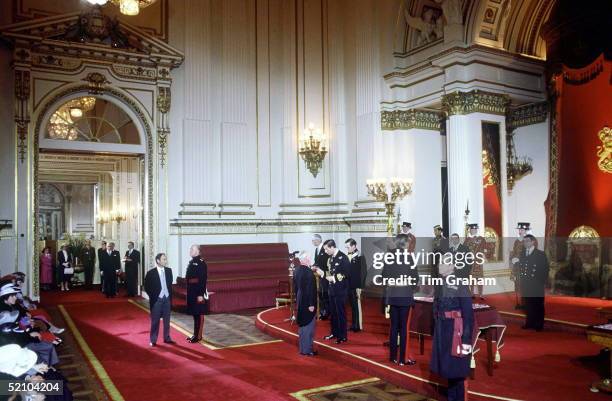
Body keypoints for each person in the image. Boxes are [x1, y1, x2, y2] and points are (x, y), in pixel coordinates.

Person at [430, 254, 474, 401]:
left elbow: (468, 314)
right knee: (448, 370)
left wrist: (467, 340)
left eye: (442, 263)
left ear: (452, 266)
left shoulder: (461, 284)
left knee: (457, 371)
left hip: (457, 332)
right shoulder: (440, 282)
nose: (439, 265)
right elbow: (436, 307)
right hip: (443, 331)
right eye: (439, 262)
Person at [383, 234, 418, 366]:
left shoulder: (389, 256)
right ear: (405, 243)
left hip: (392, 295)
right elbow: (415, 279)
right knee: (403, 329)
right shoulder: (409, 257)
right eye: (408, 243)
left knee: (394, 327)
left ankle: (392, 357)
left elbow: (384, 276)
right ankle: (402, 359)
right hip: (405, 295)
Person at [315, 239, 350, 344]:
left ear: (332, 247)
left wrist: (333, 278)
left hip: (340, 289)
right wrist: (322, 273)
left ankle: (342, 336)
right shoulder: (330, 259)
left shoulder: (343, 257)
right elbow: (329, 272)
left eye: (326, 249)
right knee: (333, 313)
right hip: (332, 290)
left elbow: (347, 273)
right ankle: (334, 333)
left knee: (340, 313)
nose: (325, 251)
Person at [518, 234, 549, 331]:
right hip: (526, 283)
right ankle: (529, 323)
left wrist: (541, 282)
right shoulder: (523, 253)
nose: (525, 243)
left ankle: (539, 325)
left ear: (533, 242)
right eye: (524, 241)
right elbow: (522, 268)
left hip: (536, 283)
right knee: (528, 304)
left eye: (527, 241)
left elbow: (545, 269)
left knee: (538, 304)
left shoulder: (540, 254)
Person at [144, 253, 175, 346]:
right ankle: (153, 340)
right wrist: (154, 296)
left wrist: (169, 296)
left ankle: (167, 337)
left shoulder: (169, 271)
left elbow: (170, 284)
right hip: (157, 300)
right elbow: (147, 287)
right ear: (158, 261)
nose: (166, 261)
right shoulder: (151, 273)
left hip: (167, 299)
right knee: (155, 321)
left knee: (167, 320)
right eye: (164, 259)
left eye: (166, 259)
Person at [294, 253, 317, 356]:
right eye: (309, 258)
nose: (310, 259)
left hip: (300, 300)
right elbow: (311, 290)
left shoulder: (296, 270)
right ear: (306, 259)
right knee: (308, 327)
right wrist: (311, 304)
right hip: (308, 302)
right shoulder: (309, 272)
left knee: (302, 326)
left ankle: (302, 349)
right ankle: (308, 350)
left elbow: (295, 288)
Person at [185, 245, 208, 343]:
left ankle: (198, 336)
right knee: (195, 314)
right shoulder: (192, 261)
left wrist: (200, 294)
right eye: (190, 248)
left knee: (198, 314)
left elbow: (202, 280)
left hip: (197, 291)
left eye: (192, 249)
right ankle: (195, 334)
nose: (190, 250)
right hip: (192, 291)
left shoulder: (201, 263)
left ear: (198, 251)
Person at [345, 238, 366, 332]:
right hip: (349, 285)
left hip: (356, 285)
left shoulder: (360, 256)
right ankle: (354, 324)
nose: (347, 249)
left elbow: (364, 272)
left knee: (357, 306)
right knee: (352, 306)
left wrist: (360, 286)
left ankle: (358, 326)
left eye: (348, 247)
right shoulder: (349, 256)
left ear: (354, 246)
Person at [510, 222, 531, 309]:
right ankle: (519, 303)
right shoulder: (517, 241)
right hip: (517, 266)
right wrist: (513, 259)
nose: (520, 231)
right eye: (519, 229)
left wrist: (519, 259)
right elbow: (514, 252)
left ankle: (526, 303)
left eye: (521, 229)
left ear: (526, 230)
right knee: (517, 283)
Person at [464, 223, 486, 300]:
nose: (472, 231)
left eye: (473, 229)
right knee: (471, 278)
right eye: (471, 229)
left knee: (479, 278)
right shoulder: (467, 239)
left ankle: (481, 294)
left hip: (478, 261)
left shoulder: (481, 239)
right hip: (470, 262)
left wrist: (480, 255)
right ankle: (472, 293)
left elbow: (484, 249)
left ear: (476, 230)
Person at [312, 234, 330, 320]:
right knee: (321, 294)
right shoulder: (316, 249)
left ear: (318, 240)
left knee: (325, 294)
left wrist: (319, 268)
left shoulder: (325, 248)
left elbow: (328, 262)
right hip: (318, 276)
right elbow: (317, 262)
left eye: (313, 240)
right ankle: (322, 311)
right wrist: (313, 266)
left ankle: (327, 312)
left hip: (326, 275)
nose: (312, 242)